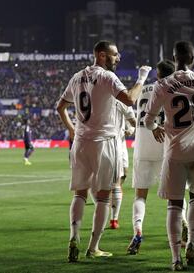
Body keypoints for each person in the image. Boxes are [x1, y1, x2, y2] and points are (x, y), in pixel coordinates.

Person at [56, 40, 151, 262]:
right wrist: (142, 79)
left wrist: (72, 130)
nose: (117, 58)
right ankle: (93, 247)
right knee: (102, 197)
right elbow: (129, 99)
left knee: (79, 193)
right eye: (114, 54)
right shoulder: (107, 77)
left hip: (80, 142)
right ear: (101, 55)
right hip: (105, 142)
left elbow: (60, 106)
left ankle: (74, 237)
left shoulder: (77, 76)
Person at [144, 41, 194, 271]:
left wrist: (156, 127)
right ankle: (193, 242)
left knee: (174, 205)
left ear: (174, 57)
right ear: (193, 59)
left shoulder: (163, 84)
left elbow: (148, 120)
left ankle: (175, 259)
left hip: (175, 151)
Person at [127, 60, 175, 254]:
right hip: (165, 145)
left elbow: (132, 104)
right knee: (175, 196)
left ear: (157, 75)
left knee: (140, 195)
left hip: (142, 146)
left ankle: (138, 230)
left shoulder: (144, 89)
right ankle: (185, 228)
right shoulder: (175, 88)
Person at [110, 101, 136, 229]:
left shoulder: (123, 101)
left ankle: (114, 195)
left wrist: (131, 129)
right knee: (115, 181)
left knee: (124, 174)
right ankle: (114, 219)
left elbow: (132, 121)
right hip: (111, 143)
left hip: (122, 143)